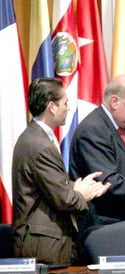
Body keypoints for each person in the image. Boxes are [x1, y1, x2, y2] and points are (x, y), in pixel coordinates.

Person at [12, 77, 110, 265]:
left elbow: (51, 185)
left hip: (44, 243)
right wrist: (82, 194)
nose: (68, 108)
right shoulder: (40, 145)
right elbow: (64, 199)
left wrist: (75, 186)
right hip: (45, 247)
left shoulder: (34, 137)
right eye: (65, 103)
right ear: (52, 106)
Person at [69, 75, 125, 261]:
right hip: (107, 234)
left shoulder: (113, 126)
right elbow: (110, 182)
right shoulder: (93, 129)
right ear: (115, 102)